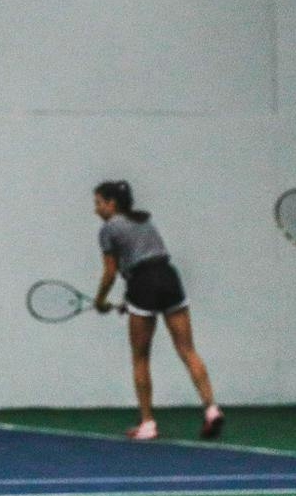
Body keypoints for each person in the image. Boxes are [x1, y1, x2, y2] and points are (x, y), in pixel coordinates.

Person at [90, 181, 224, 441]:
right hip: (169, 278)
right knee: (187, 349)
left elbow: (110, 272)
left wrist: (99, 301)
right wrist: (129, 301)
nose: (95, 209)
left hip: (142, 283)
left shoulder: (108, 229)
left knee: (140, 357)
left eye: (98, 203)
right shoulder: (144, 221)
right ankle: (211, 409)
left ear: (111, 204)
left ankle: (148, 423)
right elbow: (146, 259)